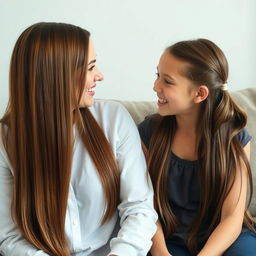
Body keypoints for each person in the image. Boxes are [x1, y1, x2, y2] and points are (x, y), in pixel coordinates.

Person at [0, 22, 157, 256]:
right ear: (56, 75)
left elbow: (139, 208)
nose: (100, 76)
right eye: (90, 67)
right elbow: (9, 236)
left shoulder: (114, 120)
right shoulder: (6, 139)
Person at [138, 39, 256, 256]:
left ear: (200, 94)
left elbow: (232, 216)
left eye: (167, 81)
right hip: (169, 240)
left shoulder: (234, 138)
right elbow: (143, 207)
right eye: (157, 76)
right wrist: (161, 252)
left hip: (225, 238)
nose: (156, 87)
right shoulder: (149, 133)